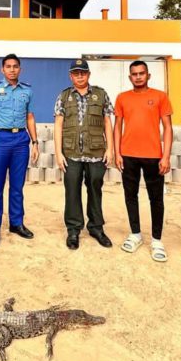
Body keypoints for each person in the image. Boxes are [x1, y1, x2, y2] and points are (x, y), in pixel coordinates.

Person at [0, 54, 39, 247]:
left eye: (15, 66)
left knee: (17, 186)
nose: (12, 69)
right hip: (0, 139)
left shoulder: (27, 90)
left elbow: (30, 117)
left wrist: (35, 142)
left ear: (20, 69)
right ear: (2, 70)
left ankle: (16, 223)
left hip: (21, 140)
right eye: (8, 67)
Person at [113, 60, 173, 262]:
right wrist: (117, 152)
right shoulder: (122, 98)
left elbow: (168, 127)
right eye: (134, 74)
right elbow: (117, 126)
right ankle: (135, 234)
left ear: (148, 75)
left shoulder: (160, 97)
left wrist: (165, 155)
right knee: (131, 195)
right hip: (128, 155)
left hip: (154, 155)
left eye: (141, 73)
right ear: (130, 77)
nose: (138, 76)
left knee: (156, 199)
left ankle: (157, 240)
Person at [54, 59, 114, 250]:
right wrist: (58, 153)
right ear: (71, 76)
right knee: (72, 191)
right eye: (76, 73)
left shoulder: (101, 94)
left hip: (96, 152)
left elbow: (107, 122)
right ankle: (73, 229)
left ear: (88, 74)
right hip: (71, 153)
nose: (79, 76)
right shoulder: (64, 96)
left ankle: (96, 227)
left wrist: (110, 149)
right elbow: (58, 125)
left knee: (95, 189)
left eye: (83, 72)